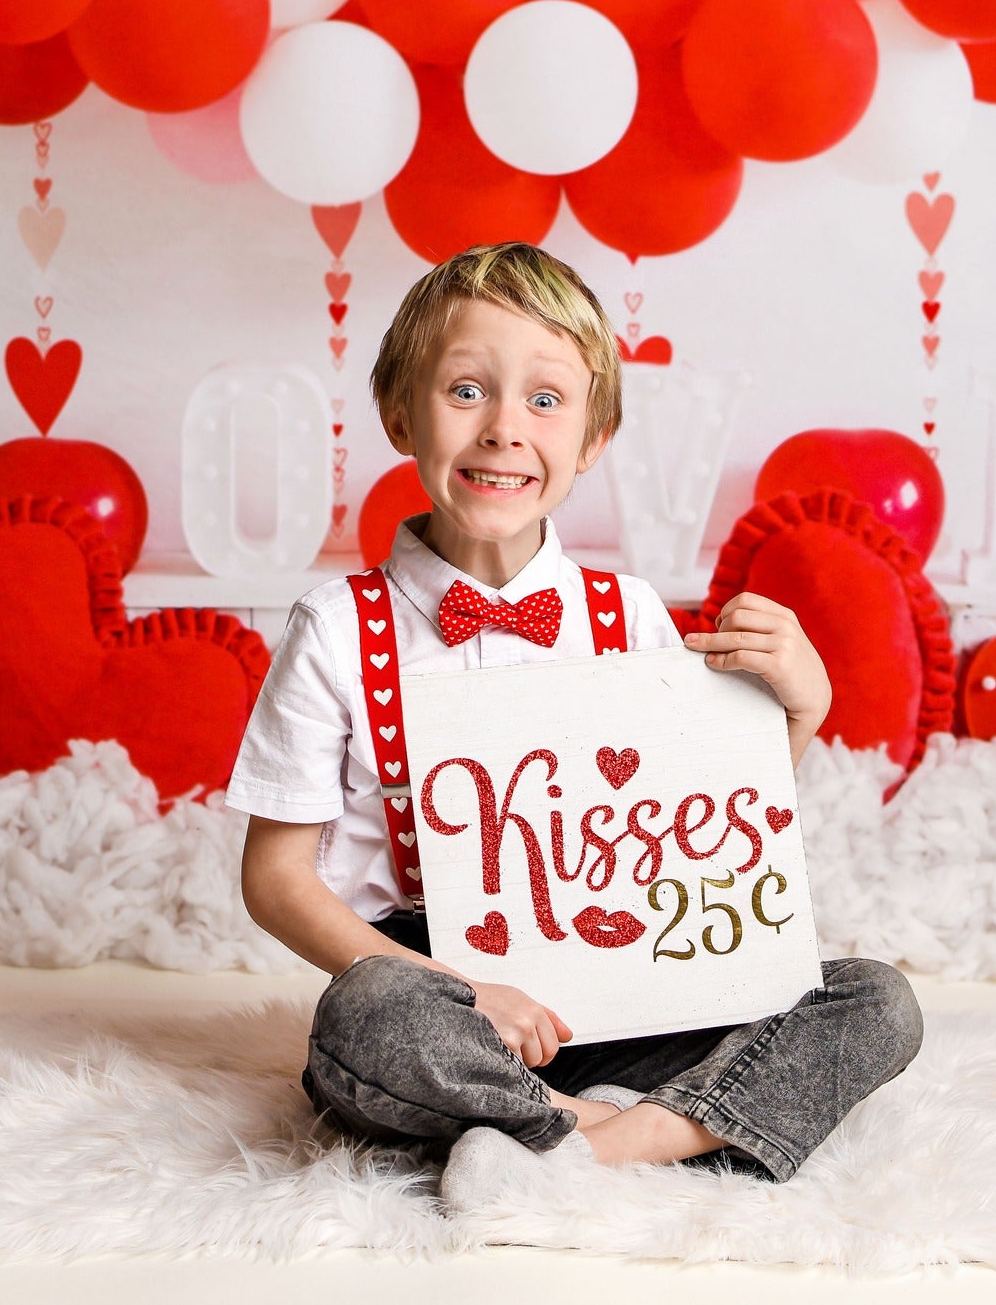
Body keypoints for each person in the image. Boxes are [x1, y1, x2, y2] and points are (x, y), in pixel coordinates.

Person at [224, 242, 921, 1206]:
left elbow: (701, 827)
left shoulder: (626, 615)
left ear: (592, 438)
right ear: (399, 413)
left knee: (874, 998)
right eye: (466, 390)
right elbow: (275, 877)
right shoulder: (337, 628)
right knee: (366, 1019)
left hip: (624, 985)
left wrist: (801, 715)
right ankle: (680, 1123)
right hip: (434, 991)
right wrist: (467, 993)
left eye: (546, 401)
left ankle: (592, 1139)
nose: (505, 429)